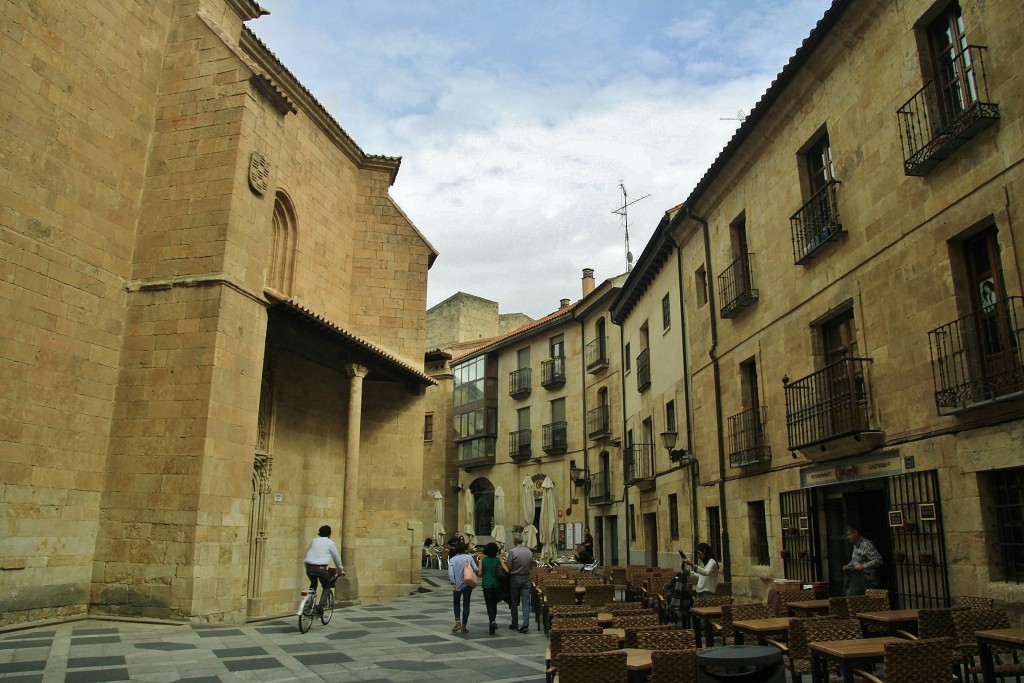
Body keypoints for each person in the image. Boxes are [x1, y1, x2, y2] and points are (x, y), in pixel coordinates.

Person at [303, 525, 344, 614]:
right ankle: (320, 606)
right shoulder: (330, 543)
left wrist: (307, 566)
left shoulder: (313, 541)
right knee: (326, 586)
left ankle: (308, 604)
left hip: (309, 567)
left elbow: (307, 554)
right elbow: (336, 558)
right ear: (329, 534)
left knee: (313, 584)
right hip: (321, 568)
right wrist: (341, 570)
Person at [478, 541, 509, 635]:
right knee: (494, 603)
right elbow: (507, 570)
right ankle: (493, 620)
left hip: (486, 585)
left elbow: (479, 573)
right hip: (497, 584)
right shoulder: (498, 559)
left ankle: (492, 621)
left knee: (489, 604)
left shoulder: (482, 560)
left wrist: (485, 574)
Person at [447, 541, 478, 633]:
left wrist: (453, 583)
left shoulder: (452, 560)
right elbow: (475, 569)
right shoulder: (469, 557)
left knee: (456, 602)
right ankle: (464, 625)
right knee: (466, 603)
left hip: (456, 584)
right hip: (467, 583)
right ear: (465, 549)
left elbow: (451, 573)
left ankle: (457, 621)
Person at [842, 525, 882, 596]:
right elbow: (855, 560)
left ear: (856, 533)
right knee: (848, 592)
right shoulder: (855, 545)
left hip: (867, 580)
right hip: (857, 579)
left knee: (851, 594)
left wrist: (863, 566)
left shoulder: (866, 544)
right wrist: (848, 566)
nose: (848, 537)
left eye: (849, 535)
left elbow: (878, 560)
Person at [505, 532, 534, 633]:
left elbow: (508, 567)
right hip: (526, 578)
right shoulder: (529, 552)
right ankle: (525, 623)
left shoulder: (512, 552)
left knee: (513, 601)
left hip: (515, 578)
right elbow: (531, 566)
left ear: (514, 541)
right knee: (526, 602)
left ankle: (515, 623)